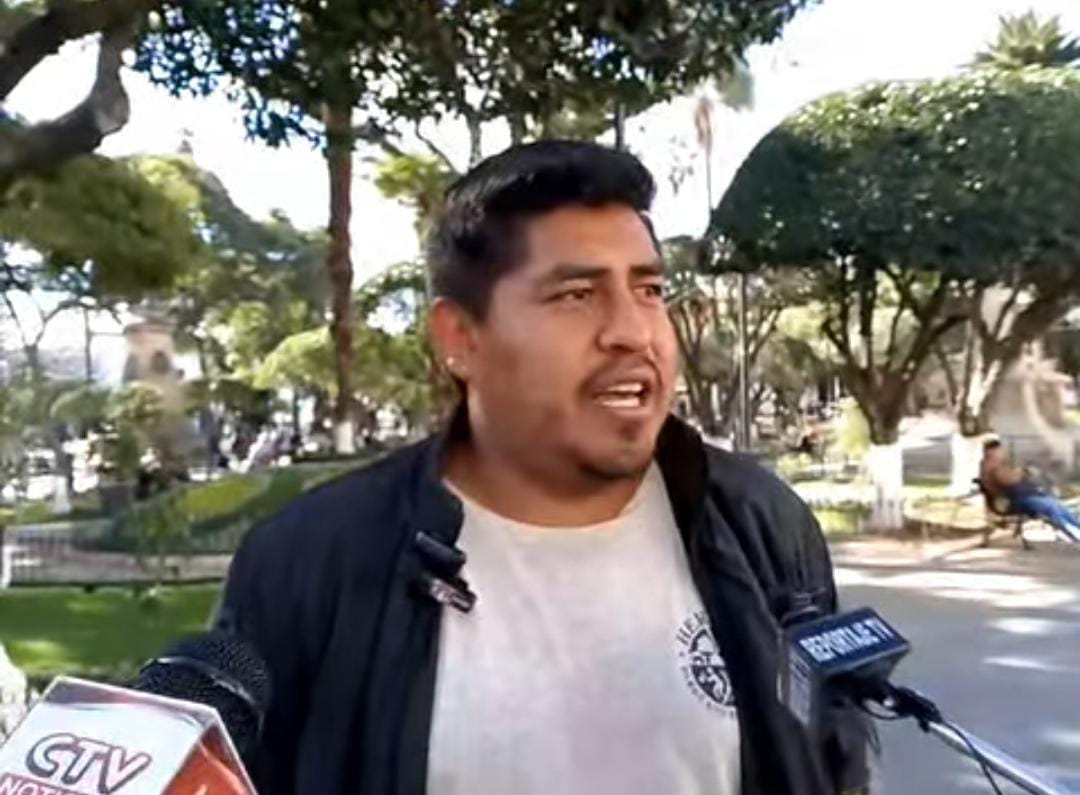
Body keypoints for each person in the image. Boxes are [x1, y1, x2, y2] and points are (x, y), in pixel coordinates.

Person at [215, 141, 871, 795]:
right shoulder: (308, 564)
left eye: (649, 290)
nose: (633, 331)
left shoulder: (760, 524)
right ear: (461, 338)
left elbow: (830, 760)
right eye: (577, 294)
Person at [980, 438, 1080, 542]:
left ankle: (1076, 528)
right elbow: (1008, 481)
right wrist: (1023, 473)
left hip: (1025, 495)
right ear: (990, 452)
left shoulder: (1001, 465)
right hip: (1016, 500)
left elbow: (1015, 478)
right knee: (1051, 507)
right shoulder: (992, 467)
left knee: (1057, 505)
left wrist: (1023, 473)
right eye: (998, 451)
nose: (1001, 454)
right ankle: (1072, 534)